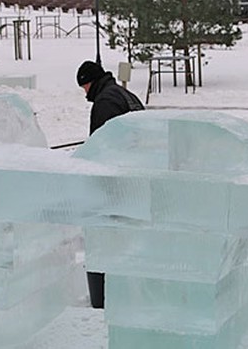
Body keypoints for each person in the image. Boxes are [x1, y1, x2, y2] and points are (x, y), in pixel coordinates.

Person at [76, 60, 144, 309]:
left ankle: (108, 294)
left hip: (117, 183)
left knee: (110, 239)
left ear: (89, 82)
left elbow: (104, 145)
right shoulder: (126, 95)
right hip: (136, 176)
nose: (84, 93)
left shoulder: (105, 101)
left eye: (83, 86)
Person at [77, 60, 145, 136]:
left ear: (91, 82)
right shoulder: (124, 93)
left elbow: (101, 139)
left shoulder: (105, 102)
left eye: (84, 87)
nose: (86, 92)